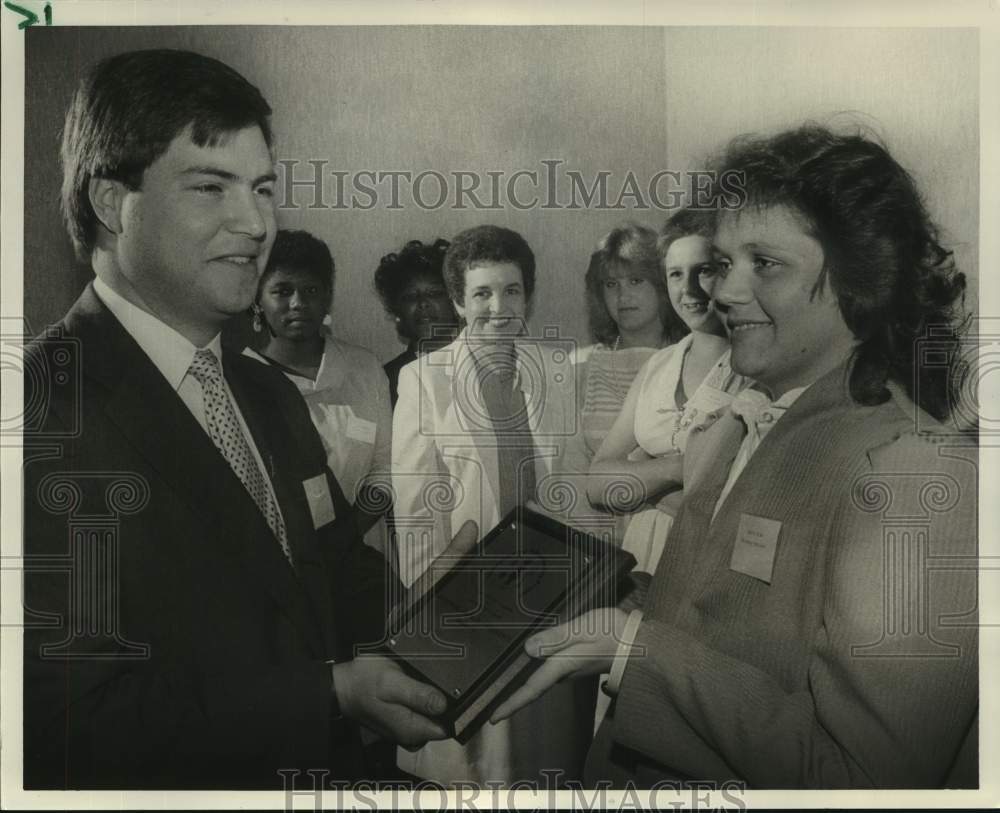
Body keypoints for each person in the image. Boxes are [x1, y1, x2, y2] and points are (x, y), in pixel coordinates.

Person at [22, 48, 464, 790]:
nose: (256, 223)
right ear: (109, 201)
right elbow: (61, 723)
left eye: (263, 188)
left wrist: (435, 613)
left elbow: (330, 572)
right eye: (210, 186)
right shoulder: (36, 409)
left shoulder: (266, 394)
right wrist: (323, 695)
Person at [492, 124, 977, 789]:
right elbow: (708, 609)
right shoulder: (744, 413)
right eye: (724, 262)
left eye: (765, 264)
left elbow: (866, 777)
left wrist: (634, 651)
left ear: (862, 281)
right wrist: (560, 599)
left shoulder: (916, 471)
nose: (722, 292)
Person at [391, 224, 593, 785]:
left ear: (528, 294)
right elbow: (415, 512)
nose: (498, 307)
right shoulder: (423, 381)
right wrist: (435, 606)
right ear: (458, 301)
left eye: (511, 290)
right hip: (467, 599)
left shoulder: (557, 370)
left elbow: (574, 489)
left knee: (544, 758)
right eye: (482, 293)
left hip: (551, 593)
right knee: (478, 765)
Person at [586, 210, 750, 574]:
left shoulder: (753, 366)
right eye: (675, 274)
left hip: (712, 564)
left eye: (703, 271)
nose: (687, 290)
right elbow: (597, 484)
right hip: (641, 559)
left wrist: (640, 476)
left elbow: (736, 507)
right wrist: (679, 468)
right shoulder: (659, 366)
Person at [246, 229, 393, 553]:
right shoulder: (241, 379)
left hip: (365, 557)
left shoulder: (364, 369)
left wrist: (349, 532)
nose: (297, 303)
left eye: (310, 290)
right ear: (258, 298)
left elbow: (387, 465)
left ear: (327, 296)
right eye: (282, 291)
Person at [553, 223, 685, 544]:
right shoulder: (579, 367)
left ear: (662, 285)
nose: (623, 295)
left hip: (673, 538)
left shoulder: (689, 358)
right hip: (598, 547)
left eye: (636, 281)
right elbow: (570, 476)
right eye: (611, 284)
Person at [374, 238, 459, 408]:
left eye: (434, 293)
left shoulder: (481, 365)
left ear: (455, 301)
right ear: (396, 310)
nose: (423, 303)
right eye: (411, 297)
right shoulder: (384, 380)